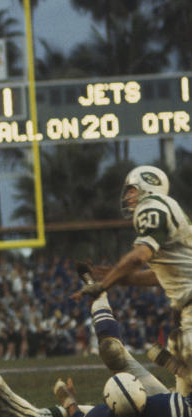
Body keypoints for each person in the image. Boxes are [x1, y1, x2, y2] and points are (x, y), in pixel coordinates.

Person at [73, 165, 192, 396]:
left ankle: (178, 370)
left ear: (148, 187)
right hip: (187, 313)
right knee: (183, 409)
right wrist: (114, 277)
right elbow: (159, 276)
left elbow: (139, 256)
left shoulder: (151, 206)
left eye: (131, 190)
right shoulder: (172, 213)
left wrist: (103, 285)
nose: (128, 196)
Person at [52, 265, 191, 417]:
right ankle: (99, 294)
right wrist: (175, 367)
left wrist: (68, 400)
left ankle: (99, 296)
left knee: (112, 351)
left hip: (167, 408)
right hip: (178, 403)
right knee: (175, 342)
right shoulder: (172, 410)